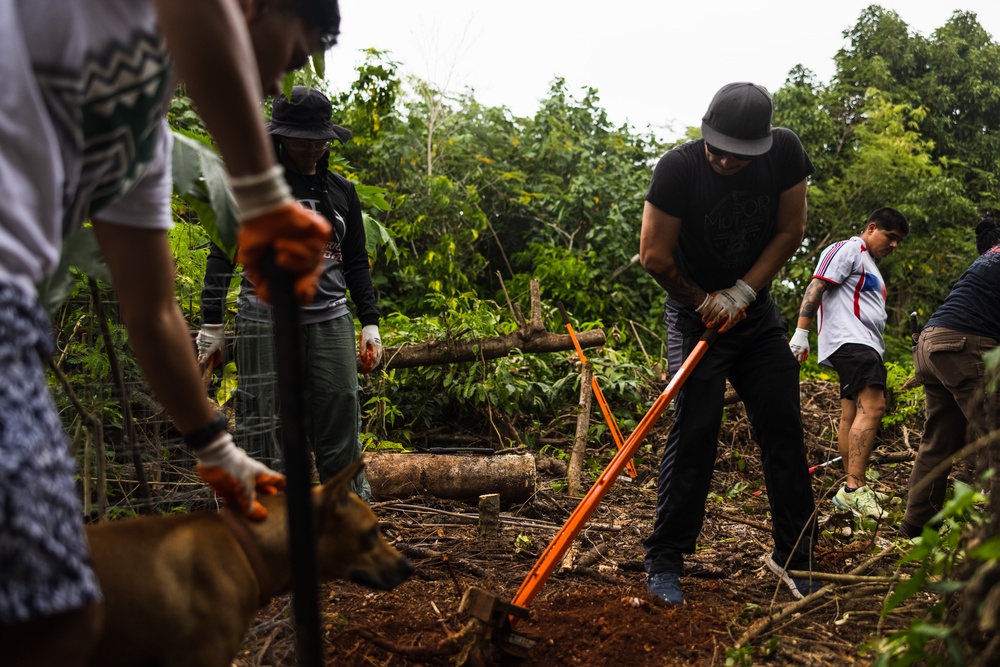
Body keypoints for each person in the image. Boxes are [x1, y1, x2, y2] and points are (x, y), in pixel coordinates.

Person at [0, 0, 341, 664]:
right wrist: (264, 194)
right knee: (54, 613)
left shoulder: (143, 146)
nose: (277, 85)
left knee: (49, 619)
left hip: (15, 317)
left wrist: (217, 448)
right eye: (292, 55)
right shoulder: (109, 11)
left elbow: (152, 311)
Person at [639, 82, 820, 605]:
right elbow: (654, 254)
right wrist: (704, 301)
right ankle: (665, 560)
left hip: (757, 318)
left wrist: (743, 291)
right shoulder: (678, 169)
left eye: (737, 154)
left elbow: (791, 229)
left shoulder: (785, 151)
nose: (722, 159)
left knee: (784, 427)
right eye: (715, 146)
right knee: (695, 428)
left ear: (761, 145)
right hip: (695, 317)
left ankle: (797, 560)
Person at [197, 86, 381, 498]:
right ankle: (269, 522)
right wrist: (212, 325)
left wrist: (370, 323)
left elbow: (355, 263)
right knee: (265, 420)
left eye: (319, 139)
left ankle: (347, 515)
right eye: (301, 138)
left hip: (330, 320)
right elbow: (221, 255)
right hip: (264, 320)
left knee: (339, 409)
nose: (312, 147)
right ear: (279, 136)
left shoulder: (341, 191)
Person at [789, 208, 909, 519]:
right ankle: (855, 489)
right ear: (871, 227)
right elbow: (817, 286)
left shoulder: (870, 265)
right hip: (853, 341)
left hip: (863, 344)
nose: (894, 245)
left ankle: (851, 487)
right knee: (874, 407)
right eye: (890, 237)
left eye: (899, 241)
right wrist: (801, 332)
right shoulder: (849, 248)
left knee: (851, 413)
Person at [899, 217, 1000, 538]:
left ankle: (915, 528)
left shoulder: (988, 257)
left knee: (939, 441)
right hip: (966, 345)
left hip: (933, 341)